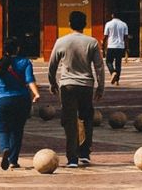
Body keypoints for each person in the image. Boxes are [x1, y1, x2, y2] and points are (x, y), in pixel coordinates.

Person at [47, 10, 106, 168]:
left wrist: (52, 83)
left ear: (70, 24)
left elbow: (52, 65)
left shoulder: (61, 41)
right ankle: (85, 153)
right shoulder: (92, 42)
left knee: (70, 121)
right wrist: (100, 87)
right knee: (86, 118)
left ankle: (72, 158)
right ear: (85, 24)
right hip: (86, 86)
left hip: (67, 85)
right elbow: (99, 67)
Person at [0, 36, 40, 170]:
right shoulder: (25, 62)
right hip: (22, 100)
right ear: (18, 48)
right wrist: (36, 93)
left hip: (3, 100)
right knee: (17, 131)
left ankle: (5, 148)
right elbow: (29, 80)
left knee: (2, 129)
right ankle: (13, 160)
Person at [102, 11, 129, 86]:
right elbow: (126, 37)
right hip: (120, 46)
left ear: (112, 15)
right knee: (118, 64)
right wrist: (127, 47)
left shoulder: (108, 24)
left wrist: (103, 45)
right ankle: (117, 81)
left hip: (111, 46)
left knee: (108, 61)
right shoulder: (124, 24)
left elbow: (105, 36)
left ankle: (112, 72)